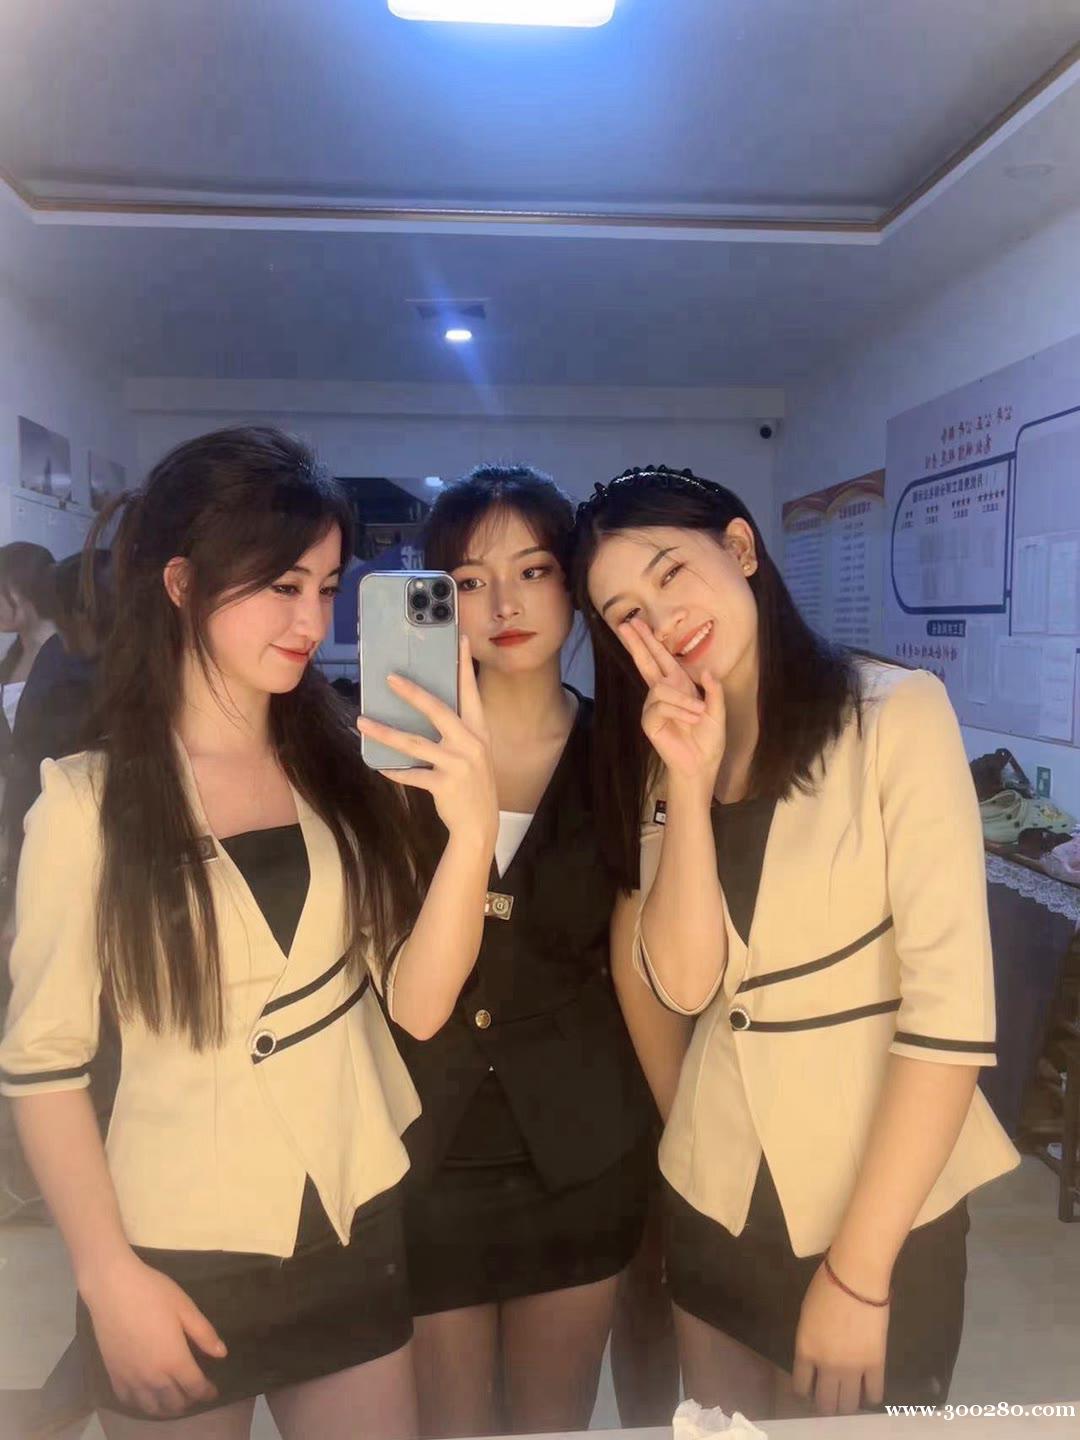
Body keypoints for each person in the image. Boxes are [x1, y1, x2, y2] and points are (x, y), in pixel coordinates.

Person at [0, 427, 498, 1438]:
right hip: (172, 1248)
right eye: (282, 585)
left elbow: (417, 1005)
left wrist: (474, 830)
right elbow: (44, 1066)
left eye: (327, 587)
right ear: (182, 583)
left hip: (350, 1223)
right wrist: (105, 1276)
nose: (313, 620)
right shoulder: (87, 803)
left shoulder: (348, 770)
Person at [572, 464, 1020, 1418]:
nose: (661, 620)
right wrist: (687, 781)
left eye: (670, 571)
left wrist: (859, 1275)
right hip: (719, 1199)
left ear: (740, 548)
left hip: (875, 1211)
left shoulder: (893, 714)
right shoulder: (666, 756)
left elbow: (950, 1021)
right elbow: (684, 983)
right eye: (625, 613)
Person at [390, 465, 658, 1438]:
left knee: (552, 1423)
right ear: (438, 601)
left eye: (534, 571)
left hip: (583, 1154)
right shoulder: (395, 765)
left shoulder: (634, 750)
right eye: (469, 581)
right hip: (428, 1152)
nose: (504, 603)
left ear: (574, 584)